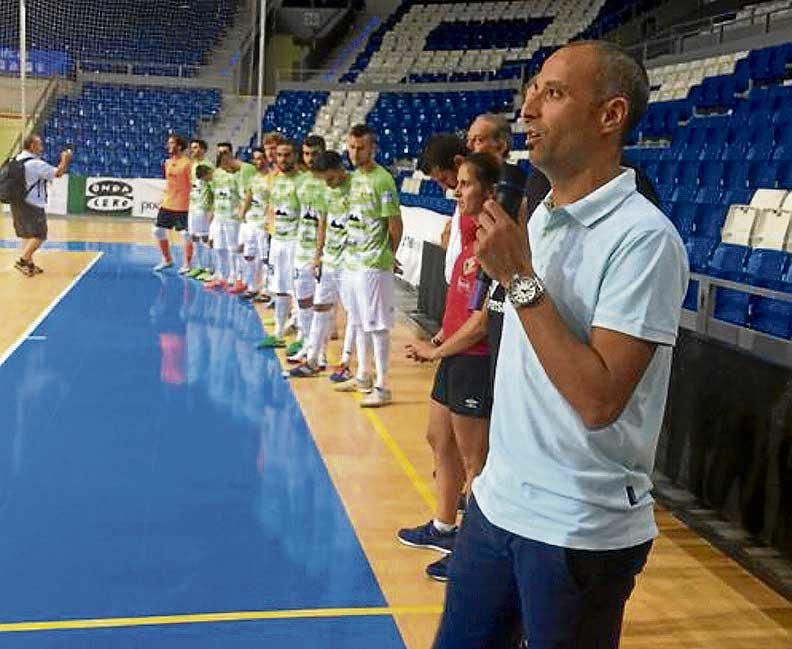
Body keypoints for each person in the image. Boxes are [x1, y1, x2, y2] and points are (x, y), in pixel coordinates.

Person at [432, 40, 689, 649]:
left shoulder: (645, 240)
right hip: (498, 504)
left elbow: (599, 400)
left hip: (577, 528)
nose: (528, 110)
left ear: (610, 115)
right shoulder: (539, 214)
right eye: (531, 93)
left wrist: (520, 280)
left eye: (552, 93)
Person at [399, 153, 499, 584]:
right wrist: (441, 336)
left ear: (489, 192)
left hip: (474, 362)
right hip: (453, 353)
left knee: (476, 462)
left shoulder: (497, 245)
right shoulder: (465, 233)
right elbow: (462, 306)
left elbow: (482, 323)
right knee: (438, 438)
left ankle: (472, 553)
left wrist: (436, 352)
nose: (456, 192)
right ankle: (443, 527)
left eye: (464, 185)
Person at [333, 124, 402, 408]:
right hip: (352, 261)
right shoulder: (352, 179)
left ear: (372, 148)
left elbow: (395, 224)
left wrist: (388, 255)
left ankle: (383, 385)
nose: (354, 152)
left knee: (377, 325)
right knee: (358, 321)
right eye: (351, 146)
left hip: (373, 264)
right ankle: (362, 375)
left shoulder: (382, 180)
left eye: (360, 147)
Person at [290, 150, 351, 378]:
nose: (328, 183)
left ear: (338, 169)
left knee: (353, 314)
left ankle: (347, 362)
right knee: (320, 306)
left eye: (330, 178)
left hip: (351, 261)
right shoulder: (327, 190)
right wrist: (319, 255)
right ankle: (314, 359)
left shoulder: (355, 187)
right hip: (330, 258)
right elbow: (324, 222)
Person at [258, 139, 303, 348]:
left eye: (287, 155)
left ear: (295, 156)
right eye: (279, 155)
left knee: (298, 291)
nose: (283, 159)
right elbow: (271, 207)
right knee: (280, 288)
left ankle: (302, 337)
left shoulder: (303, 181)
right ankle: (278, 333)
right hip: (277, 241)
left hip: (296, 243)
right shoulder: (273, 179)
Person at [288, 134, 328, 361]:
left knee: (322, 304)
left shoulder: (330, 181)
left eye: (314, 153)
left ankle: (319, 352)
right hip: (300, 248)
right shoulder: (300, 181)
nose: (310, 158)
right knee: (303, 300)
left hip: (322, 253)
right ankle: (306, 343)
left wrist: (320, 253)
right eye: (306, 154)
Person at [10, 134, 72, 276]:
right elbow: (58, 173)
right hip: (32, 203)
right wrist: (65, 159)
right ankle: (23, 261)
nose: (42, 148)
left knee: (26, 234)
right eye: (39, 145)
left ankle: (29, 265)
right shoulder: (35, 164)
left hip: (16, 201)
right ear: (32, 146)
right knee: (39, 234)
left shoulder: (17, 159)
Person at [417, 134, 467, 284]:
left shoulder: (479, 200)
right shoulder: (461, 201)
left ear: (458, 163)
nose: (445, 187)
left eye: (444, 179)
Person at [153, 134, 192, 272]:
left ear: (179, 146)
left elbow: (192, 184)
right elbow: (170, 183)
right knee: (157, 231)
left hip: (183, 204)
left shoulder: (187, 163)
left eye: (171, 143)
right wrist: (163, 197)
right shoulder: (167, 162)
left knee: (186, 234)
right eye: (168, 143)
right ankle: (167, 259)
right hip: (168, 203)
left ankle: (187, 264)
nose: (168, 146)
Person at [238, 147, 273, 301]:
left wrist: (269, 220)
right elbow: (249, 196)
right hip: (251, 222)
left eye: (260, 158)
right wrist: (243, 213)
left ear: (266, 159)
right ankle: (252, 287)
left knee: (265, 258)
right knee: (249, 255)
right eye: (255, 158)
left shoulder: (272, 178)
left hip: (264, 224)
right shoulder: (254, 177)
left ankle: (266, 290)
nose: (257, 162)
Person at [203, 152, 241, 291]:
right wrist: (211, 215)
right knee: (218, 247)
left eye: (228, 159)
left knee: (233, 248)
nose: (225, 162)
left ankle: (234, 276)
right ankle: (220, 275)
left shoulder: (238, 176)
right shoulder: (216, 175)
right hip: (219, 217)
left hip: (233, 218)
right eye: (222, 160)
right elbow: (214, 196)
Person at [185, 138, 214, 279]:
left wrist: (211, 210)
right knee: (194, 237)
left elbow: (212, 188)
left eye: (196, 147)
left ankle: (209, 268)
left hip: (203, 207)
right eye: (192, 148)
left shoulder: (208, 166)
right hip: (193, 206)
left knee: (205, 237)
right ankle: (199, 266)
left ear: (203, 149)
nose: (193, 150)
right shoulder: (193, 165)